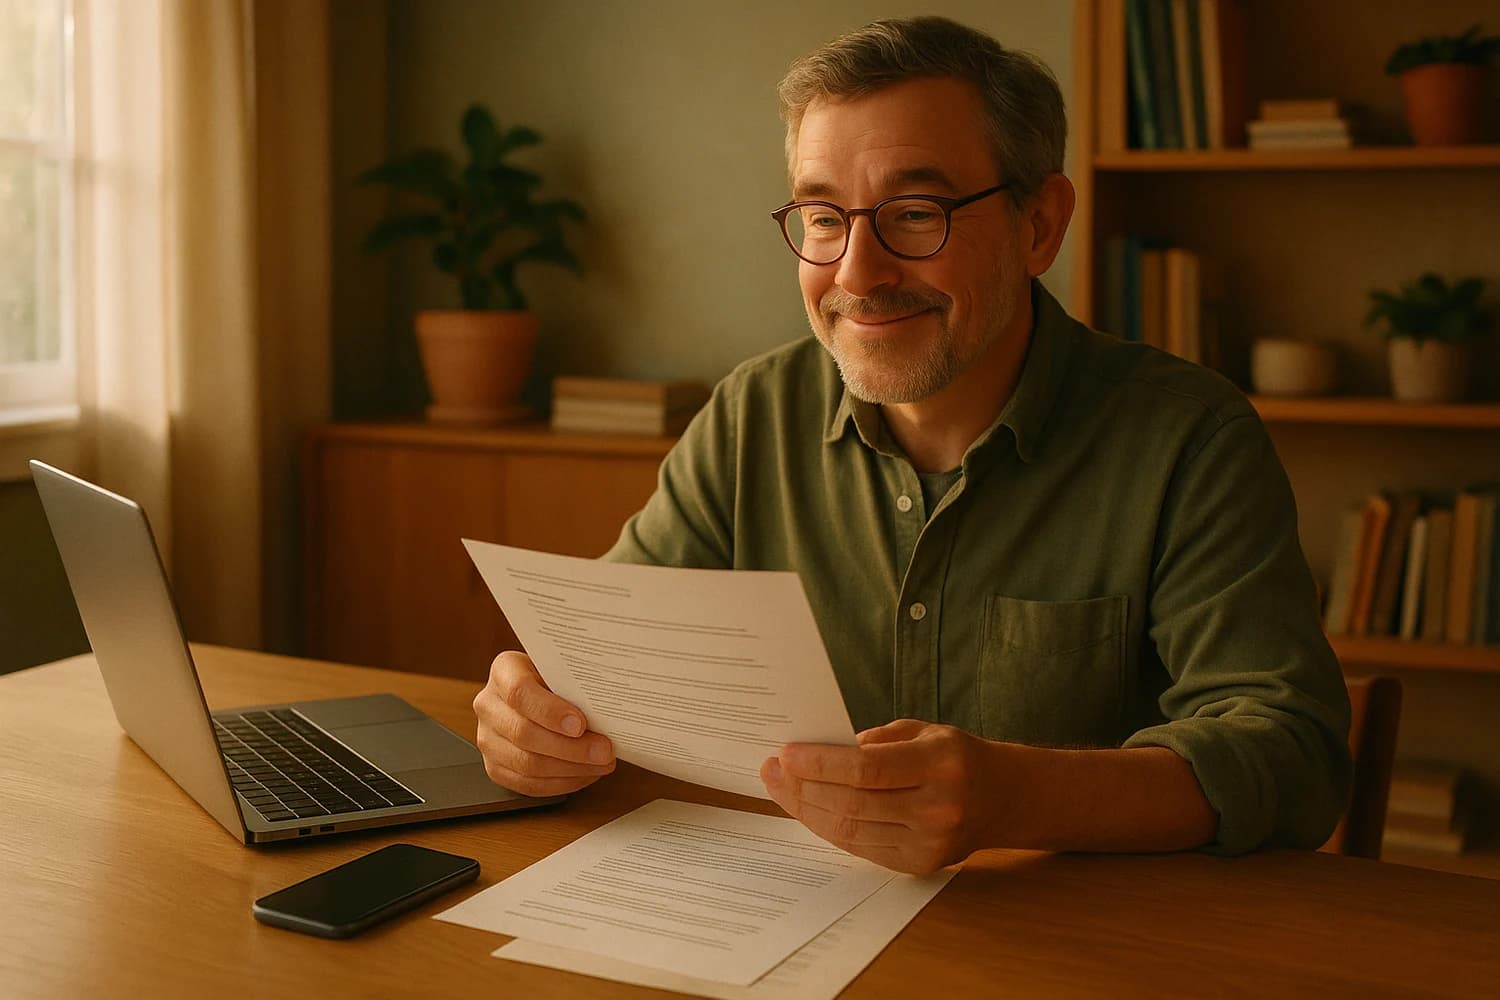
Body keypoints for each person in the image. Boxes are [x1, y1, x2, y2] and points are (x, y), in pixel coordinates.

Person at [472, 16, 1351, 875]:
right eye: (823, 218)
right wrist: (538, 713)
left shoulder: (1190, 439)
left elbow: (1293, 758)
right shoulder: (753, 414)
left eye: (916, 212)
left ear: (1039, 224)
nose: (858, 272)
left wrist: (1020, 796)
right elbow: (609, 658)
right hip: (781, 920)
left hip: (1064, 946)